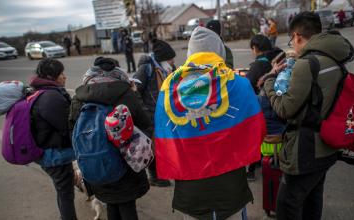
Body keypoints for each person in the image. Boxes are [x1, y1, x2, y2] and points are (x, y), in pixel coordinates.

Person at [154, 26, 266, 220]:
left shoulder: (168, 87)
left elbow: (164, 138)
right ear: (219, 50)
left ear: (190, 53)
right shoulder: (238, 83)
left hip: (190, 189)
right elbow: (258, 130)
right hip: (231, 185)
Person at [260, 11, 354, 220]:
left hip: (304, 151)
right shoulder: (335, 57)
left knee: (287, 205)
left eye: (291, 40)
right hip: (327, 145)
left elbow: (285, 108)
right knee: (313, 198)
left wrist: (269, 81)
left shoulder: (306, 64)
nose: (292, 45)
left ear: (297, 36)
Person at [69, 57, 151, 220]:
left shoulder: (80, 96)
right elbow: (145, 123)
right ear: (117, 71)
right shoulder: (126, 92)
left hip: (95, 161)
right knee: (127, 205)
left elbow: (72, 129)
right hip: (125, 159)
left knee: (110, 203)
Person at [30, 58, 77, 220]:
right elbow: (67, 126)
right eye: (61, 73)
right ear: (52, 77)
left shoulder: (41, 91)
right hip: (54, 155)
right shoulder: (51, 97)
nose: (64, 77)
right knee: (66, 193)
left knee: (63, 190)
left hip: (48, 152)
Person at [133, 39, 176, 187]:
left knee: (162, 145)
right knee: (151, 146)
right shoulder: (146, 68)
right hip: (149, 114)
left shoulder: (166, 69)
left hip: (163, 114)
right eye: (170, 59)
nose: (172, 61)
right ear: (163, 59)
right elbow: (135, 91)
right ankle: (154, 177)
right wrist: (144, 112)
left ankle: (162, 172)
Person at [245, 34, 284, 180]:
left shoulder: (257, 65)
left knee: (256, 135)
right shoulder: (278, 58)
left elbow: (247, 85)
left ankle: (251, 169)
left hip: (262, 105)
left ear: (255, 48)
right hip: (278, 102)